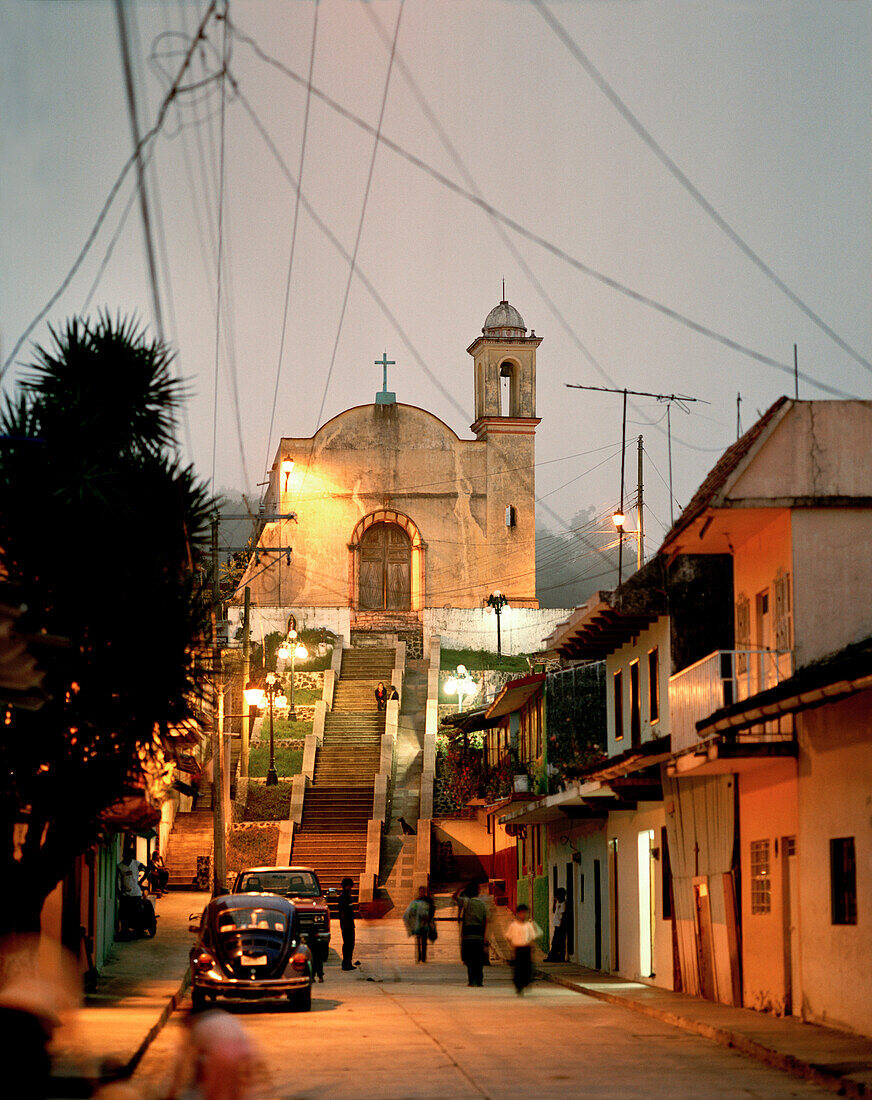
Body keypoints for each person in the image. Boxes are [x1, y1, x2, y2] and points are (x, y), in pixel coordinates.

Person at [165, 1007, 255, 1100]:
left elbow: (183, 1060)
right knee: (236, 1089)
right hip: (245, 1049)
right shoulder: (221, 1016)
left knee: (216, 1092)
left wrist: (172, 1092)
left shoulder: (199, 1026)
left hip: (221, 1053)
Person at [453, 880, 488, 986]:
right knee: (478, 958)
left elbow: (454, 897)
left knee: (469, 959)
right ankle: (479, 980)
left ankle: (471, 980)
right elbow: (485, 920)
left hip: (468, 933)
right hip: (479, 933)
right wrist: (484, 934)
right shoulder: (482, 904)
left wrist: (461, 888)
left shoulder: (466, 902)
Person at [505, 903, 543, 995]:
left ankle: (525, 982)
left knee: (527, 968)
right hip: (518, 949)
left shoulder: (529, 925)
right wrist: (511, 947)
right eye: (521, 913)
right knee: (518, 969)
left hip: (527, 949)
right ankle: (518, 986)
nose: (523, 915)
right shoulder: (513, 925)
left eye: (525, 913)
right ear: (517, 913)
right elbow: (508, 936)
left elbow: (535, 935)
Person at [116, 844, 147, 934]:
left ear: (132, 856)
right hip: (125, 894)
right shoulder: (120, 867)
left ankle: (138, 931)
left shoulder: (136, 864)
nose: (129, 857)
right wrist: (119, 893)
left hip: (136, 893)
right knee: (125, 914)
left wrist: (141, 881)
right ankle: (125, 931)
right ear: (124, 855)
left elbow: (147, 870)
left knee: (137, 914)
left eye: (131, 855)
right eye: (127, 855)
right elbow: (118, 881)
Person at [403, 886, 435, 963]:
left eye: (423, 891)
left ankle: (423, 958)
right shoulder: (416, 901)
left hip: (425, 923)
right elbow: (412, 911)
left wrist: (429, 917)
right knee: (418, 941)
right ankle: (418, 957)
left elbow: (432, 910)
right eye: (420, 891)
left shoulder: (428, 900)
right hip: (418, 923)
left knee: (424, 940)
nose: (421, 893)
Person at [544, 886, 567, 962]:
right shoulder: (558, 903)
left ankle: (558, 957)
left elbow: (563, 916)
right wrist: (554, 902)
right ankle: (555, 957)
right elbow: (554, 910)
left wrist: (561, 925)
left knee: (558, 942)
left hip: (560, 926)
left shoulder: (563, 904)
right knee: (556, 942)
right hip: (557, 924)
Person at [338, 877, 356, 971]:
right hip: (346, 924)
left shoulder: (347, 896)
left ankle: (348, 962)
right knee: (348, 944)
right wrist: (346, 924)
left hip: (349, 923)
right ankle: (346, 963)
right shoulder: (344, 897)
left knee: (350, 944)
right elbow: (343, 912)